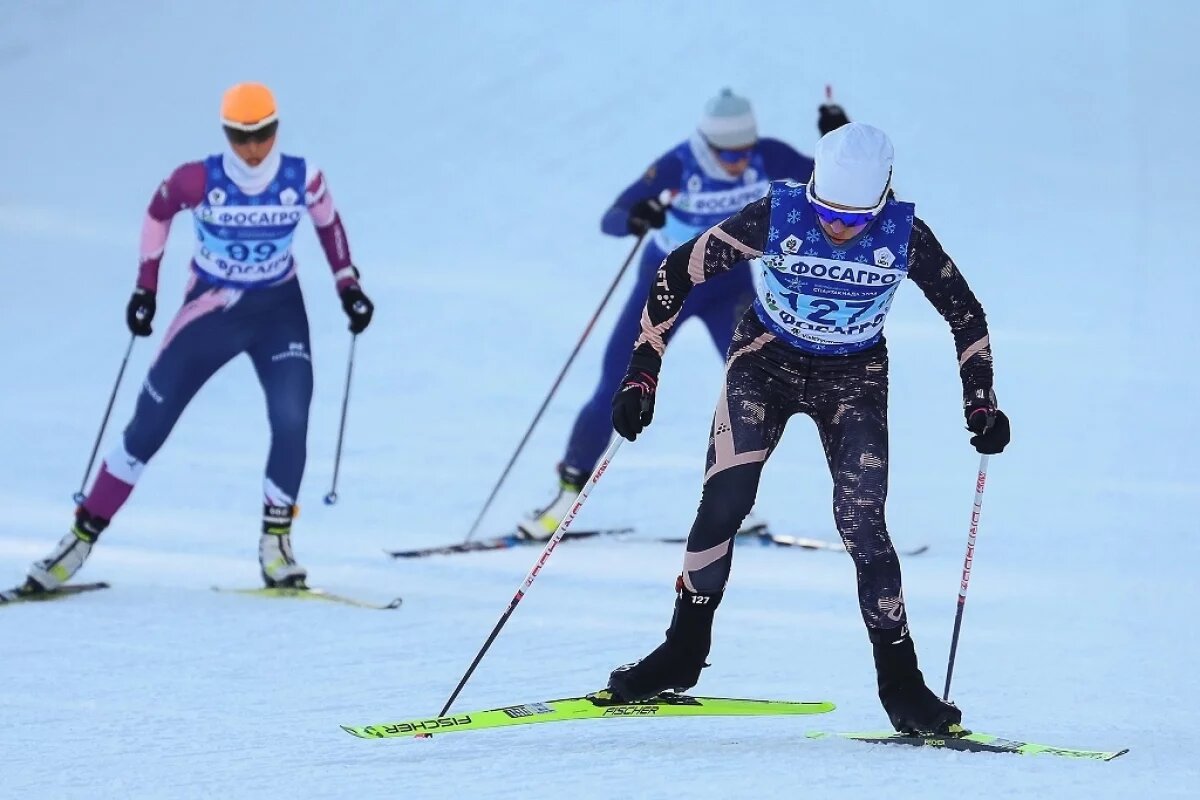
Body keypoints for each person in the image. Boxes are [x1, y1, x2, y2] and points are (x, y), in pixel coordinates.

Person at [604, 122, 1011, 734]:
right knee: (724, 501)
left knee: (864, 526)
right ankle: (682, 650)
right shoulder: (777, 215)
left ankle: (902, 686)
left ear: (884, 199)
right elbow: (675, 273)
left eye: (855, 218)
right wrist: (642, 374)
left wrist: (980, 403)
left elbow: (966, 313)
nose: (838, 228)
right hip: (764, 361)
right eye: (826, 210)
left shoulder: (905, 237)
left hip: (854, 377)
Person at [19, 82, 374, 594]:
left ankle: (277, 547)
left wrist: (349, 285)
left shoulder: (303, 177)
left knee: (292, 419)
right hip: (212, 311)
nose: (253, 149)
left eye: (264, 134)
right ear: (226, 132)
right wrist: (146, 289)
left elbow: (329, 224)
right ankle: (77, 541)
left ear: (277, 128)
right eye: (241, 136)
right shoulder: (197, 179)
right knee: (149, 425)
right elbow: (156, 214)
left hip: (278, 310)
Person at [518, 88, 840, 539]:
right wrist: (639, 216)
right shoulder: (678, 164)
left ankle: (732, 504)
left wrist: (837, 139)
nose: (737, 161)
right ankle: (564, 497)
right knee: (617, 383)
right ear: (707, 144)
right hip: (666, 285)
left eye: (744, 150)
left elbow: (841, 186)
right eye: (727, 153)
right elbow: (612, 218)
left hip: (726, 287)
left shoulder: (768, 156)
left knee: (756, 388)